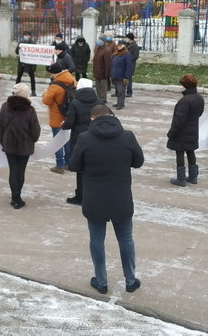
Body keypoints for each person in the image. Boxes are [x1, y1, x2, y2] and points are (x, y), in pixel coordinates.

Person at [68, 104, 144, 295]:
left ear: (92, 119)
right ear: (111, 115)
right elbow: (139, 161)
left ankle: (101, 281)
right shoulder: (127, 136)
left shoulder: (85, 138)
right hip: (121, 198)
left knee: (96, 239)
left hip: (95, 198)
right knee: (126, 239)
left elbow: (74, 165)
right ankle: (131, 280)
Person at [0, 82, 41, 208]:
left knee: (13, 170)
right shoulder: (30, 110)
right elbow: (35, 131)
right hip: (24, 145)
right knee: (21, 171)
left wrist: (2, 140)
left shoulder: (5, 106)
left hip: (9, 143)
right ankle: (17, 198)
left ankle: (14, 197)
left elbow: (1, 126)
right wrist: (32, 140)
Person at [61, 78, 101, 204]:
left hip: (80, 139)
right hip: (96, 138)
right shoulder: (99, 102)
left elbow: (69, 122)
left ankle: (80, 196)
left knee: (80, 169)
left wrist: (64, 125)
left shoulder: (75, 103)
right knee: (93, 169)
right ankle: (93, 195)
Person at [167, 74, 205, 187]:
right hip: (193, 130)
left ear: (185, 86)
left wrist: (171, 133)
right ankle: (193, 177)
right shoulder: (199, 98)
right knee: (190, 151)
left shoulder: (184, 101)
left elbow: (178, 120)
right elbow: (200, 113)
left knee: (180, 153)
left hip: (182, 132)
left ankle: (181, 178)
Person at [42, 63, 75, 173]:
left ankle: (59, 165)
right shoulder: (71, 79)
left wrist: (45, 93)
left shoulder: (55, 85)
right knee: (67, 140)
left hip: (57, 116)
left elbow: (46, 101)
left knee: (58, 142)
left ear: (53, 73)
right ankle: (67, 163)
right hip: (68, 115)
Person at [92, 33, 115, 102]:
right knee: (98, 86)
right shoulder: (97, 49)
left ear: (104, 42)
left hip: (103, 72)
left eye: (101, 40)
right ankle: (98, 97)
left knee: (103, 87)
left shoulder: (106, 50)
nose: (99, 41)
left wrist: (107, 73)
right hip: (97, 71)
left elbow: (108, 63)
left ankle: (103, 99)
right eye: (99, 39)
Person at [110, 41, 133, 110]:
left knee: (121, 91)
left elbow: (129, 67)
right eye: (118, 45)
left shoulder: (127, 55)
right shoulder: (116, 54)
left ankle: (120, 104)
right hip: (115, 75)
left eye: (121, 45)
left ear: (124, 46)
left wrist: (126, 77)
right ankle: (119, 102)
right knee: (117, 91)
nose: (119, 46)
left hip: (122, 76)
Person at [14, 31, 37, 96]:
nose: (25, 36)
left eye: (27, 35)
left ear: (30, 36)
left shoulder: (33, 43)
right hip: (22, 63)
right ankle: (16, 90)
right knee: (19, 77)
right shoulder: (21, 42)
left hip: (29, 63)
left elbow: (35, 53)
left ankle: (33, 91)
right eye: (24, 35)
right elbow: (16, 52)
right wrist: (18, 47)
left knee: (32, 77)